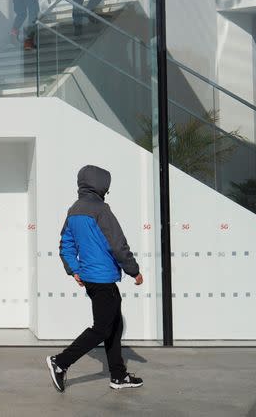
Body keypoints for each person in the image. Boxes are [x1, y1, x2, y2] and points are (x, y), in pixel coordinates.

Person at [46, 165, 144, 392]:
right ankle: (60, 362)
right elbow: (118, 245)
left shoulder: (74, 210)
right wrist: (134, 271)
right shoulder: (102, 211)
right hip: (103, 279)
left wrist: (75, 270)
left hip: (91, 278)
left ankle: (118, 376)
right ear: (101, 186)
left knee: (114, 326)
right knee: (101, 328)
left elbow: (65, 245)